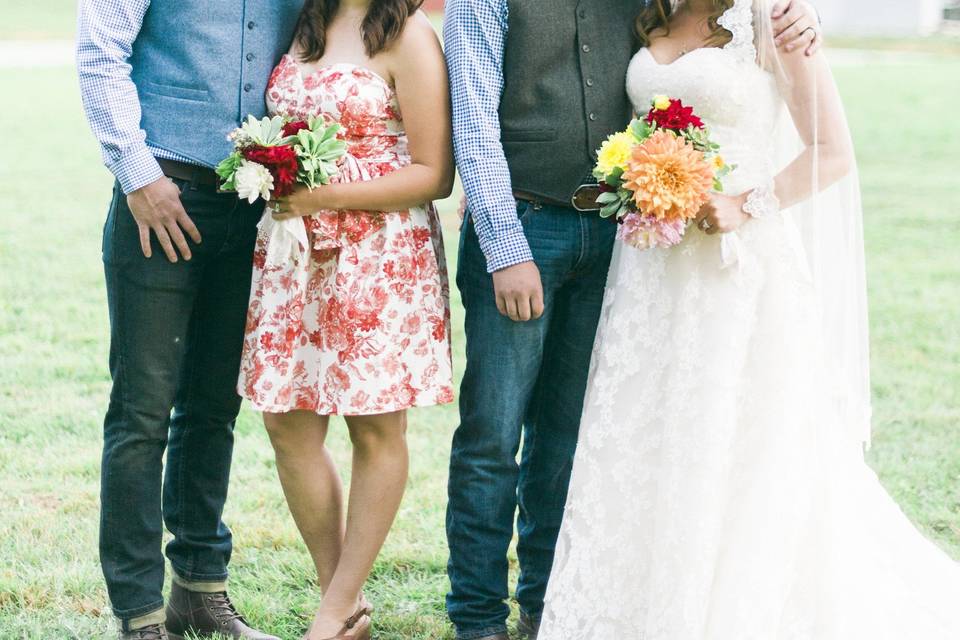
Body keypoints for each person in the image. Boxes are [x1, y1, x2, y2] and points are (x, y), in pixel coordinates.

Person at [539, 0, 960, 638]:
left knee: (736, 431)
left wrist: (745, 204)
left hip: (736, 266)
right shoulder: (651, 14)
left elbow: (832, 151)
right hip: (651, 265)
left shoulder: (776, 20)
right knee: (649, 428)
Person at [441, 1, 821, 638]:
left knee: (571, 435)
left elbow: (733, 23)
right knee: (491, 434)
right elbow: (473, 124)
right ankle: (477, 616)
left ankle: (545, 601)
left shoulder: (646, 2)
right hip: (523, 229)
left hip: (618, 240)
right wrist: (506, 249)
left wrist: (801, 15)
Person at [77, 1, 305, 638]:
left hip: (255, 205)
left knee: (214, 409)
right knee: (141, 414)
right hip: (160, 197)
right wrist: (137, 174)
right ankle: (140, 613)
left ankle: (199, 592)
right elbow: (100, 56)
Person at [236, 0, 454, 637]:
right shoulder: (304, 23)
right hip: (295, 256)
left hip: (377, 256)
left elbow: (433, 173)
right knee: (288, 423)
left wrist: (320, 195)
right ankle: (342, 597)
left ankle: (334, 609)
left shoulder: (409, 34)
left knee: (375, 427)